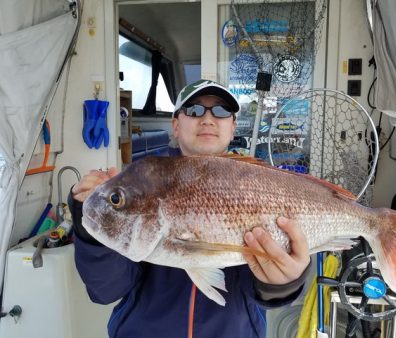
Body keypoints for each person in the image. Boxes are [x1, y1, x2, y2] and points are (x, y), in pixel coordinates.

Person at [69, 79, 312, 338]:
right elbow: (106, 290)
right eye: (194, 110)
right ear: (175, 124)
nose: (207, 119)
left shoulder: (258, 184)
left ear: (232, 128)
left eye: (220, 111)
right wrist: (90, 230)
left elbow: (262, 293)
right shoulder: (142, 185)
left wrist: (283, 283)